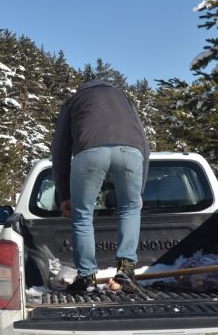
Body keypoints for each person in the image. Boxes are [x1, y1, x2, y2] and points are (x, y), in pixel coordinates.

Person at [51, 80, 150, 293]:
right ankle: (126, 269)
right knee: (130, 208)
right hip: (131, 153)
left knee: (83, 214)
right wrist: (139, 192)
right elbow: (144, 143)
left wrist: (64, 196)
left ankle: (87, 277)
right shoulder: (124, 99)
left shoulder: (74, 100)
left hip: (89, 153)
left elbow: (59, 151)